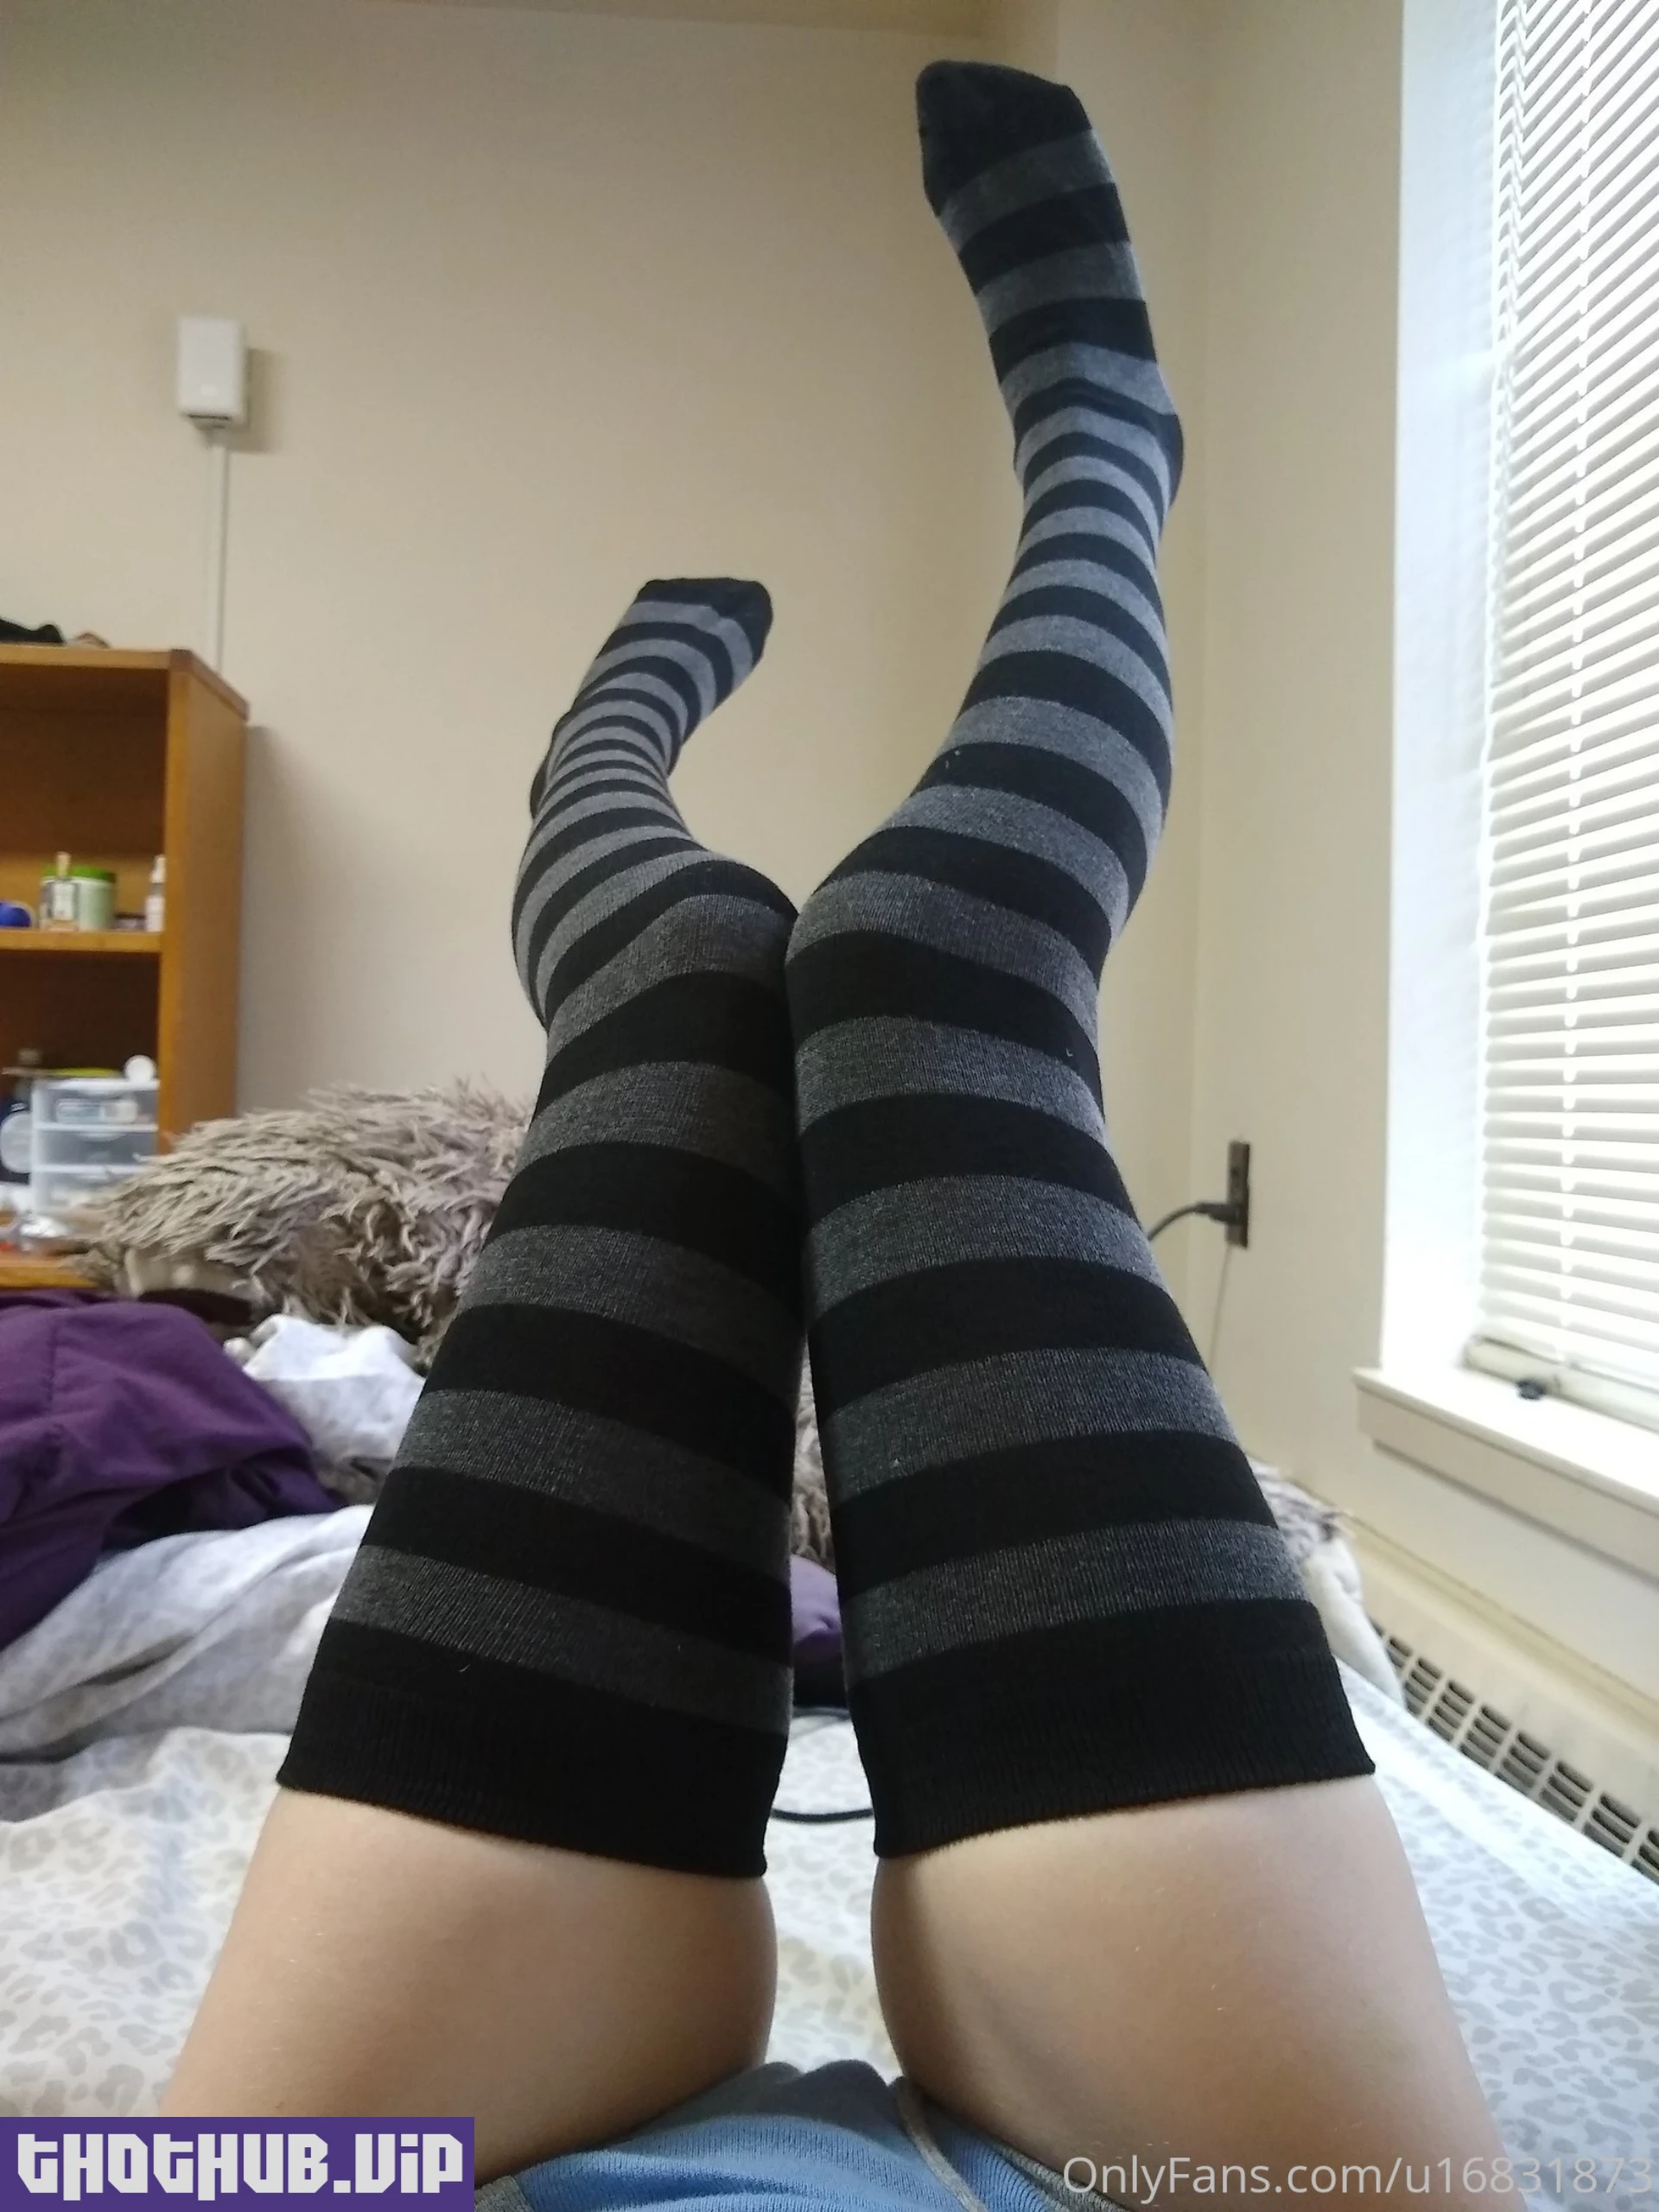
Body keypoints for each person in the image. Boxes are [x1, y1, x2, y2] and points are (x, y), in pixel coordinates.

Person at [162, 60, 1506, 2208]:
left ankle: (602, 763)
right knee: (909, 958)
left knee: (700, 971)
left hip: (384, 2135)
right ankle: (1105, 456)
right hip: (1194, 2141)